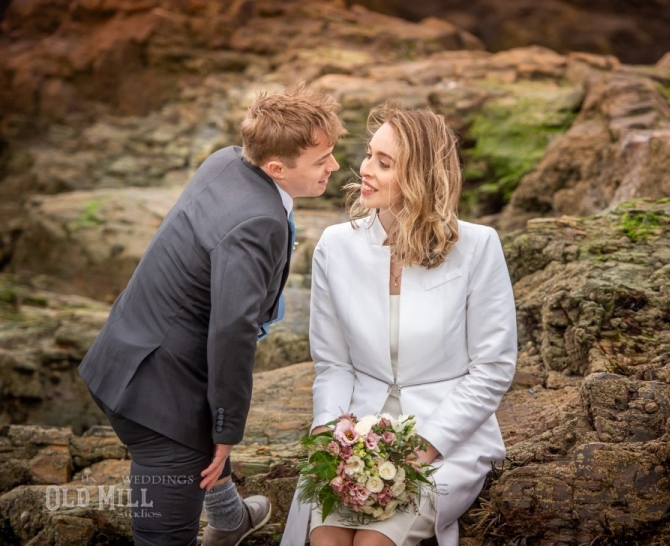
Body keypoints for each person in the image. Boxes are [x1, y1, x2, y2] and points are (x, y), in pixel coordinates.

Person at [79, 83, 346, 546]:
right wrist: (227, 431)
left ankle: (229, 519)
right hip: (158, 402)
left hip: (121, 353)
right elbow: (231, 331)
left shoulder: (226, 161)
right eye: (322, 160)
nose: (335, 166)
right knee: (165, 537)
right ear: (277, 168)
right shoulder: (257, 222)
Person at [281, 104, 517, 545]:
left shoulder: (479, 247)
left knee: (375, 542)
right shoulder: (335, 247)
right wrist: (328, 437)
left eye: (384, 163)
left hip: (447, 432)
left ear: (422, 176)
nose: (364, 169)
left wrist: (426, 445)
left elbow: (492, 370)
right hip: (357, 431)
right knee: (326, 538)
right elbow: (333, 365)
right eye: (369, 155)